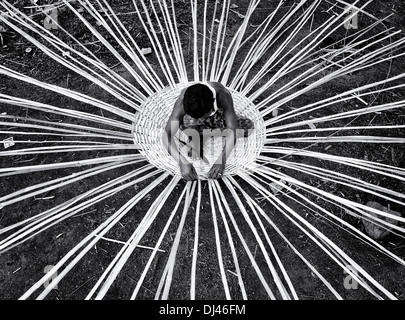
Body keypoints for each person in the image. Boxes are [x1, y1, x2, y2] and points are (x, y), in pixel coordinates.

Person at [162, 82, 253, 181]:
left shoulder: (222, 95)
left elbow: (233, 130)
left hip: (216, 117)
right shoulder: (184, 99)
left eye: (203, 117)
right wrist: (181, 162)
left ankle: (204, 135)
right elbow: (167, 135)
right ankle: (199, 135)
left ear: (213, 102)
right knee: (189, 119)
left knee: (247, 127)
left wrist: (221, 160)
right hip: (192, 124)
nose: (201, 120)